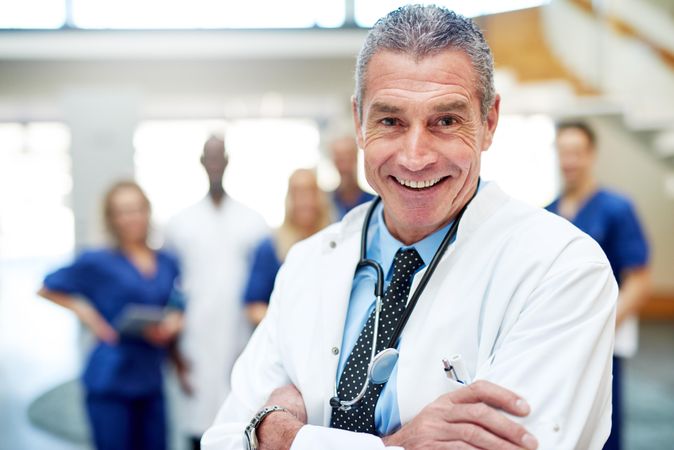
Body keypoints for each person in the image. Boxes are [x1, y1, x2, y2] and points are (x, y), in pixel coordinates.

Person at [202, 6, 618, 450]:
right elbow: (226, 438)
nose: (415, 157)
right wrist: (403, 444)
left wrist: (283, 436)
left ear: (490, 122)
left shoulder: (562, 268)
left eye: (446, 121)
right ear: (360, 121)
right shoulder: (308, 262)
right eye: (390, 121)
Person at [38, 181, 183, 450]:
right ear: (112, 218)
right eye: (123, 211)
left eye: (137, 209)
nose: (132, 217)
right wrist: (87, 313)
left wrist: (174, 321)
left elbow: (177, 300)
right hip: (112, 375)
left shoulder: (166, 261)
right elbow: (47, 287)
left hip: (150, 374)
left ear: (148, 211)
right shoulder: (97, 261)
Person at [546, 121, 651, 450]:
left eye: (576, 152)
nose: (569, 161)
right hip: (558, 342)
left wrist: (597, 328)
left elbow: (640, 280)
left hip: (602, 340)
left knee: (601, 425)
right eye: (563, 152)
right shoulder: (548, 214)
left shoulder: (616, 209)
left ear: (591, 154)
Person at [164, 135, 268, 449]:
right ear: (200, 162)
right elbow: (170, 291)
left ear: (227, 162)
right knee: (197, 422)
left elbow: (263, 288)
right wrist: (175, 353)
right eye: (209, 157)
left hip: (240, 337)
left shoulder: (253, 222)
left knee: (239, 426)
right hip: (194, 339)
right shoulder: (179, 224)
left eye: (219, 157)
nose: (214, 164)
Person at [243, 168, 332, 326]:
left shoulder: (335, 240)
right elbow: (253, 306)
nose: (304, 200)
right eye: (297, 193)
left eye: (309, 192)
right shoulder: (270, 246)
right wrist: (289, 326)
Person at [329, 135, 375, 219]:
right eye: (340, 160)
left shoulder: (373, 204)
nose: (344, 167)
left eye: (348, 158)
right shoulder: (326, 203)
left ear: (356, 159)